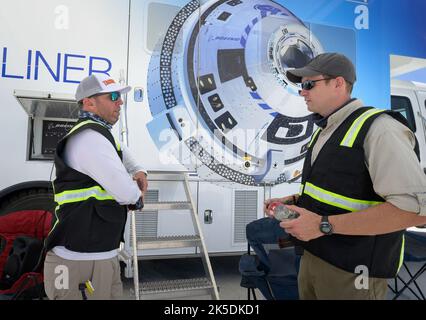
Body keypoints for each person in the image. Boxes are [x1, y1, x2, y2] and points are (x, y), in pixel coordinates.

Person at [264, 52, 426, 300]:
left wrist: (322, 225)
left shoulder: (381, 129)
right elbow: (342, 189)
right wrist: (297, 202)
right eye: (301, 85)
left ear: (339, 83)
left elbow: (414, 210)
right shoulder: (325, 131)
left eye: (309, 84)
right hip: (315, 258)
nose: (302, 92)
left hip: (354, 272)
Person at [44, 73, 148, 300]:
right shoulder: (89, 138)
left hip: (101, 254)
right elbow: (126, 193)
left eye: (120, 97)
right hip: (79, 263)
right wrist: (137, 195)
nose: (120, 102)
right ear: (89, 102)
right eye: (113, 96)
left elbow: (121, 149)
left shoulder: (99, 132)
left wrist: (139, 170)